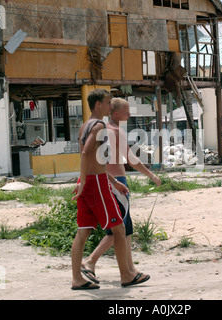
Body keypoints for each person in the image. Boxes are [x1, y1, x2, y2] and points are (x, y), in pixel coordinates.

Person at [70, 89, 150, 290]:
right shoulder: (98, 125)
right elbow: (87, 152)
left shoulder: (84, 126)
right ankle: (126, 275)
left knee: (83, 232)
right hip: (95, 183)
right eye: (107, 103)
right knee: (119, 228)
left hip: (92, 180)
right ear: (98, 104)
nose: (110, 106)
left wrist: (111, 181)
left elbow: (93, 159)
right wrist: (86, 180)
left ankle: (77, 278)